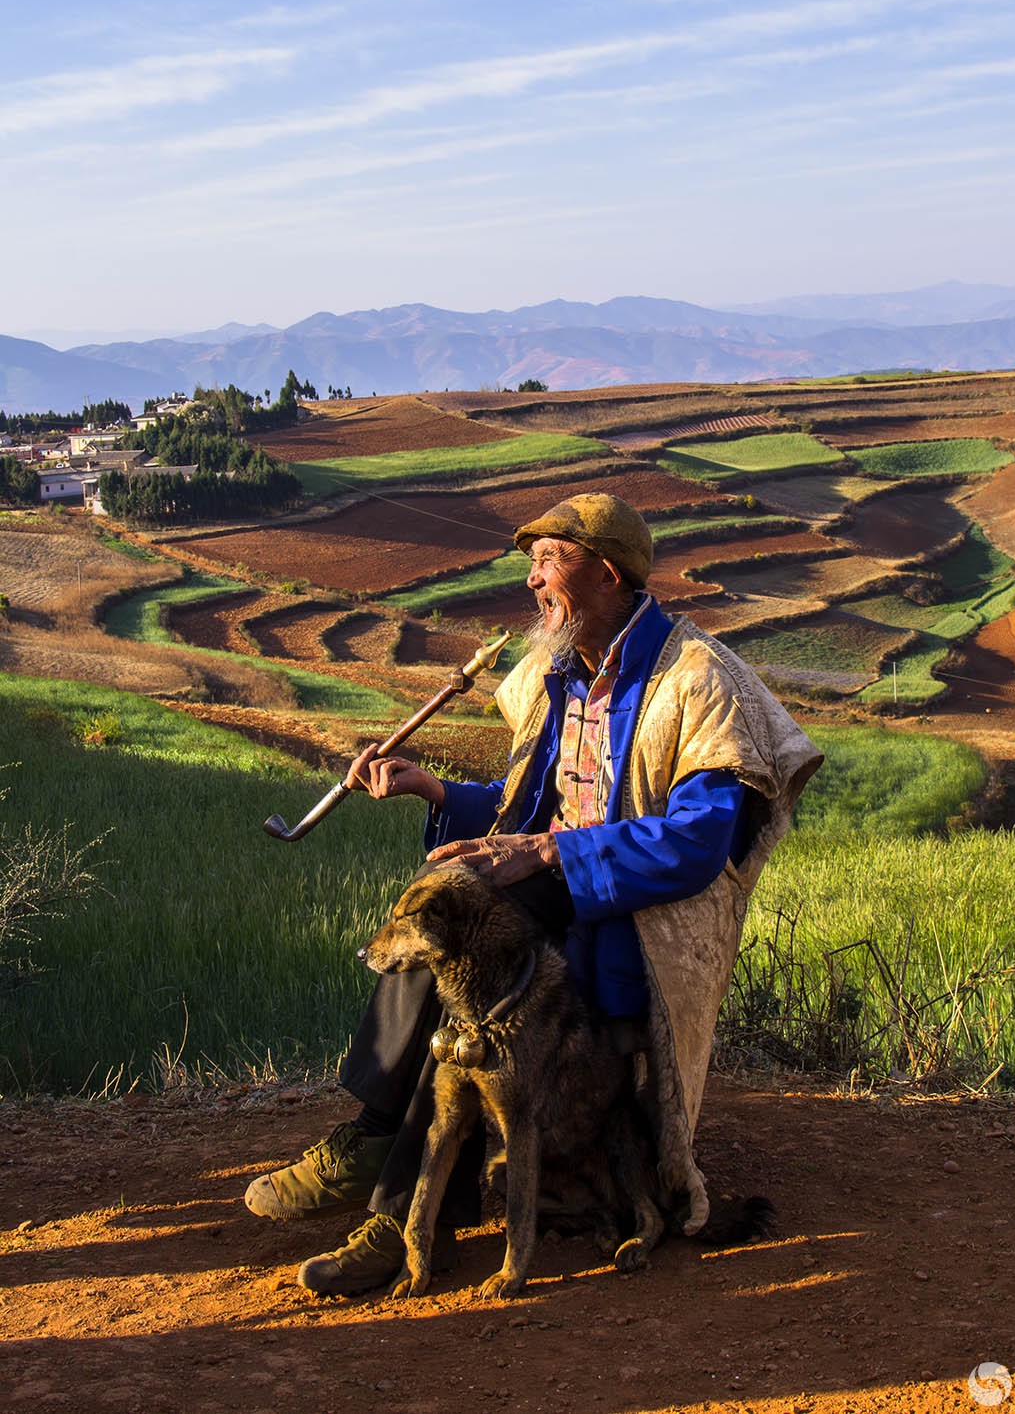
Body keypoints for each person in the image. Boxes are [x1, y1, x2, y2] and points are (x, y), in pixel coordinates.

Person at [245, 492, 821, 1295]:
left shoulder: (697, 680)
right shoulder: (559, 674)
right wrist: (439, 793)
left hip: (629, 918)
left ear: (607, 574)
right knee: (441, 903)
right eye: (531, 564)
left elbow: (698, 843)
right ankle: (380, 1141)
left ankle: (400, 1210)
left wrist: (552, 851)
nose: (531, 582)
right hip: (559, 888)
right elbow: (523, 807)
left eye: (549, 562)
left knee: (476, 948)